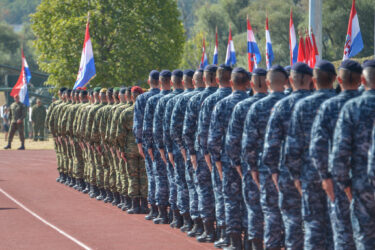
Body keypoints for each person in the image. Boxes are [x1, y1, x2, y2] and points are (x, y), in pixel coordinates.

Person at [285, 60, 337, 249]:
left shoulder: (303, 105)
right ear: (335, 79)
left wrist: (296, 177)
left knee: (314, 229)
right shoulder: (344, 103)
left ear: (313, 81)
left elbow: (292, 148)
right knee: (339, 231)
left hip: (310, 177)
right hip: (341, 177)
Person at [310, 59, 362, 250]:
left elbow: (318, 147)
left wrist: (326, 177)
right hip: (365, 181)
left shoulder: (330, 106)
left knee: (343, 235)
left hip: (339, 181)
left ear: (338, 79)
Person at [262, 62, 312, 250]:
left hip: (287, 172)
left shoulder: (282, 106)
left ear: (290, 81)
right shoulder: (321, 103)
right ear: (312, 81)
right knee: (316, 223)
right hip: (317, 175)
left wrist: (274, 172)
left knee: (291, 221)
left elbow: (271, 145)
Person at [330, 60, 375, 249]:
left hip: (361, 185)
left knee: (365, 240)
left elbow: (340, 153)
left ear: (362, 80)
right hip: (361, 184)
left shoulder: (352, 108)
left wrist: (345, 186)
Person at [242, 65, 287, 250]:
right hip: (290, 169)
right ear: (286, 82)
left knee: (269, 214)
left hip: (264, 168)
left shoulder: (256, 106)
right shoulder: (291, 104)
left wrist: (252, 168)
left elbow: (249, 144)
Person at [226, 67, 268, 250]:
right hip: (276, 167)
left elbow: (233, 140)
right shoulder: (281, 103)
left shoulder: (242, 106)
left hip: (249, 165)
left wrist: (237, 163)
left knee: (252, 207)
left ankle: (249, 244)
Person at [208, 67, 249, 249]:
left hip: (227, 161)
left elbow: (214, 138)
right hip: (252, 162)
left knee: (231, 200)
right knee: (251, 201)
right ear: (248, 83)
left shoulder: (222, 104)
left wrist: (216, 160)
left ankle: (235, 242)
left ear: (232, 83)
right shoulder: (253, 102)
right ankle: (250, 240)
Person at [182, 65, 217, 238]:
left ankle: (207, 229)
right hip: (225, 155)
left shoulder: (195, 99)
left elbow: (187, 131)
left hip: (201, 153)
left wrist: (192, 154)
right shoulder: (227, 97)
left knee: (202, 190)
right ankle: (225, 231)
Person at [199, 64, 232, 244]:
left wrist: (210, 159)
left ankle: (222, 234)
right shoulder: (246, 98)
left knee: (220, 195)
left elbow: (204, 135)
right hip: (245, 159)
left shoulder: (211, 101)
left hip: (218, 158)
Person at [170, 69, 205, 233]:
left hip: (185, 150)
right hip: (209, 151)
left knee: (188, 185)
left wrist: (184, 150)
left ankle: (191, 221)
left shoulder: (181, 99)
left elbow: (174, 130)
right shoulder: (209, 98)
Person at [155, 69, 185, 228]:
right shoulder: (193, 98)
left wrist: (163, 149)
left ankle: (177, 217)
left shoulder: (165, 100)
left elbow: (164, 129)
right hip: (195, 150)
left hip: (174, 149)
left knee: (175, 182)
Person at [143, 70, 172, 224]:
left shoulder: (149, 99)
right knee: (173, 180)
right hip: (174, 146)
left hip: (156, 145)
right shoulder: (175, 98)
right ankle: (173, 212)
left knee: (157, 178)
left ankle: (159, 211)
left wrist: (146, 145)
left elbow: (147, 127)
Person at [133, 70, 160, 220]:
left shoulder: (143, 98)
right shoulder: (168, 97)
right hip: (167, 145)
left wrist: (139, 142)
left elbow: (138, 124)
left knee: (153, 176)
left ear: (149, 82)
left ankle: (155, 209)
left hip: (149, 143)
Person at [116, 86, 148, 214]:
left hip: (130, 148)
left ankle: (134, 205)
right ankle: (145, 205)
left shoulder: (126, 112)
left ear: (131, 97)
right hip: (144, 147)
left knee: (133, 176)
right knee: (144, 176)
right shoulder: (147, 111)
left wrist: (121, 148)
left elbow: (120, 133)